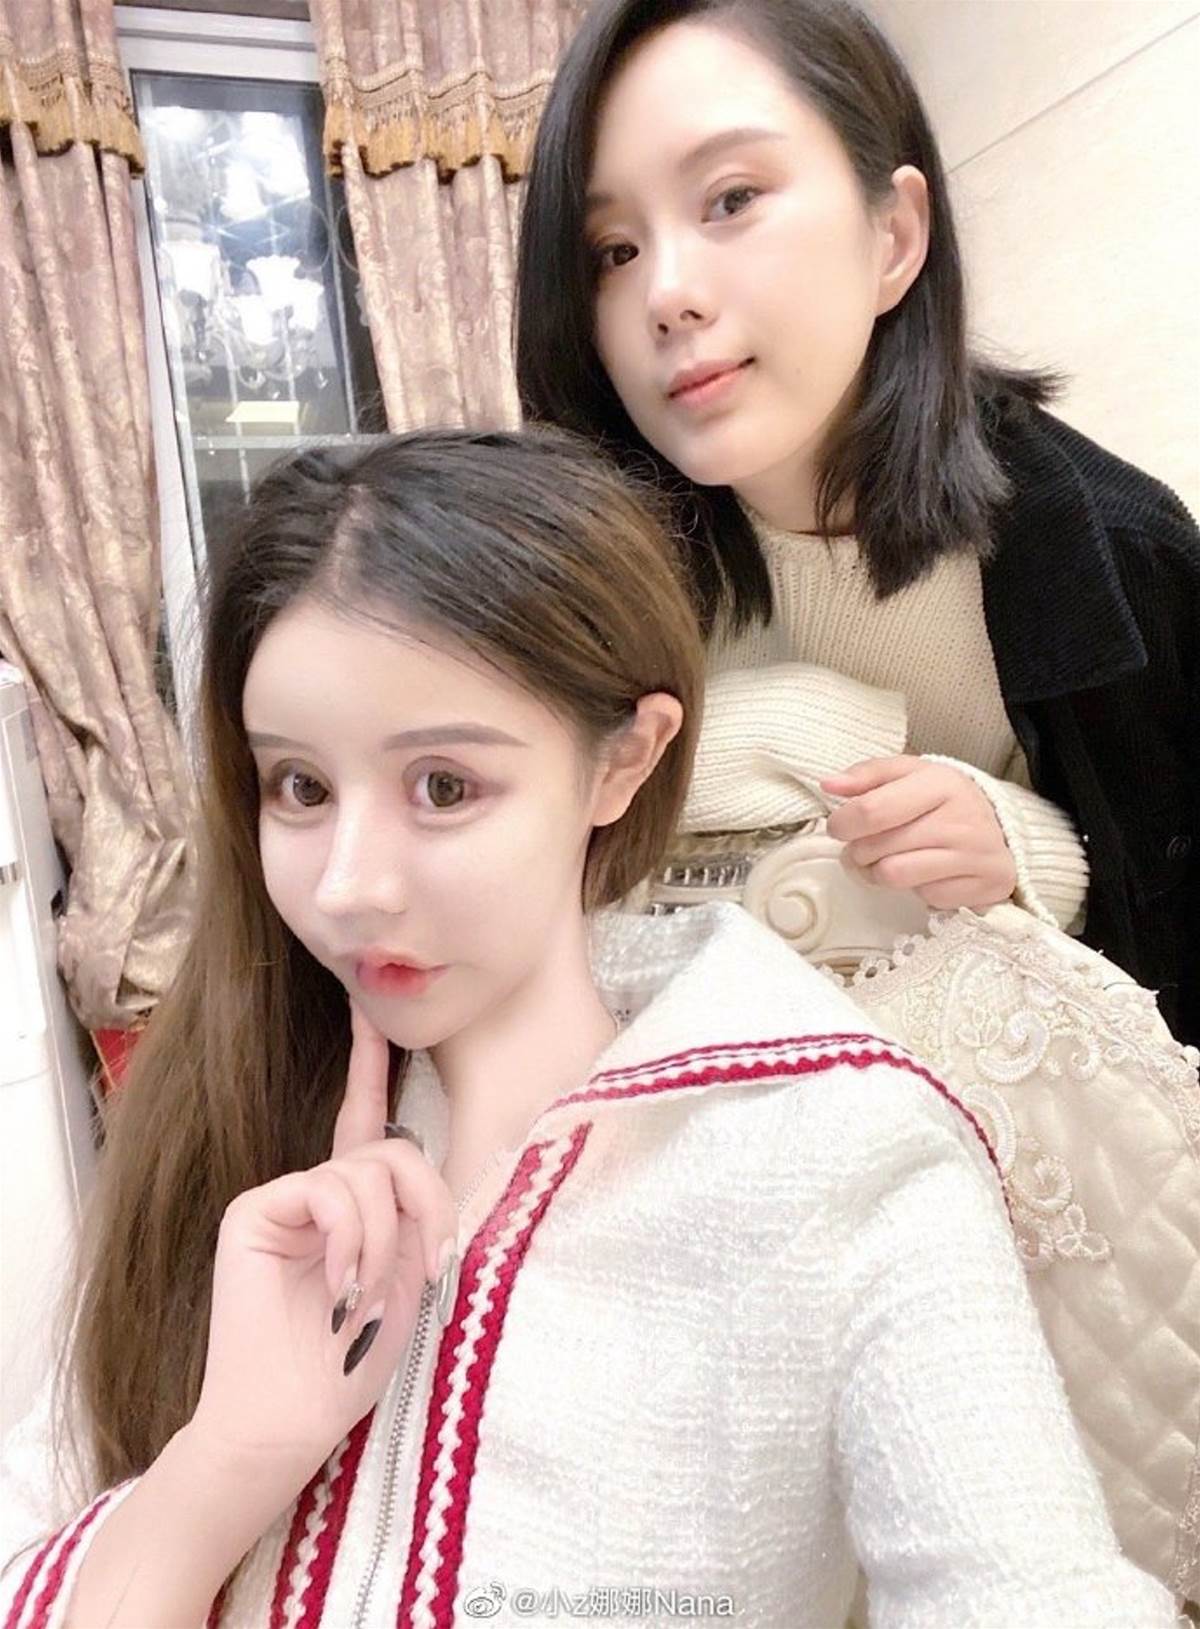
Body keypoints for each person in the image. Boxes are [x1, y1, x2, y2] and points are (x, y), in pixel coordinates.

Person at [0, 428, 1177, 1628]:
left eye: (444, 787)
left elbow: (1029, 1587)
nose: (348, 887)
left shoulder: (841, 1152)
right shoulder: (220, 1120)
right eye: (300, 787)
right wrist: (227, 1460)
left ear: (624, 761)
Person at [514, 0, 1200, 1046]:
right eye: (612, 250)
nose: (667, 293)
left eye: (732, 198)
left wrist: (1034, 853)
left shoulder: (1117, 556)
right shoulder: (588, 578)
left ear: (894, 235)